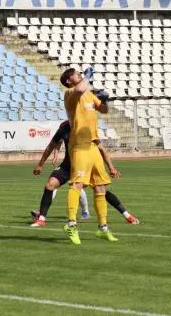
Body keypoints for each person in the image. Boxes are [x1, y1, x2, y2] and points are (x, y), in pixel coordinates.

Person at [30, 120, 139, 227]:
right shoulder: (64, 126)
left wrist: (111, 168)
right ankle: (41, 219)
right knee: (50, 185)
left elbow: (101, 148)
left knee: (101, 190)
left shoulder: (87, 126)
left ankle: (127, 215)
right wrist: (40, 164)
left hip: (85, 167)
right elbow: (52, 145)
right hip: (68, 166)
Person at [60, 67, 115, 245]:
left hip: (93, 144)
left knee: (100, 187)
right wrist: (88, 77)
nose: (80, 76)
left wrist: (105, 99)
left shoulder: (89, 94)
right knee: (77, 184)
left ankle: (103, 228)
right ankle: (71, 224)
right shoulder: (70, 93)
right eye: (77, 74)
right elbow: (80, 89)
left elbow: (104, 110)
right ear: (69, 80)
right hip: (79, 145)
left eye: (80, 74)